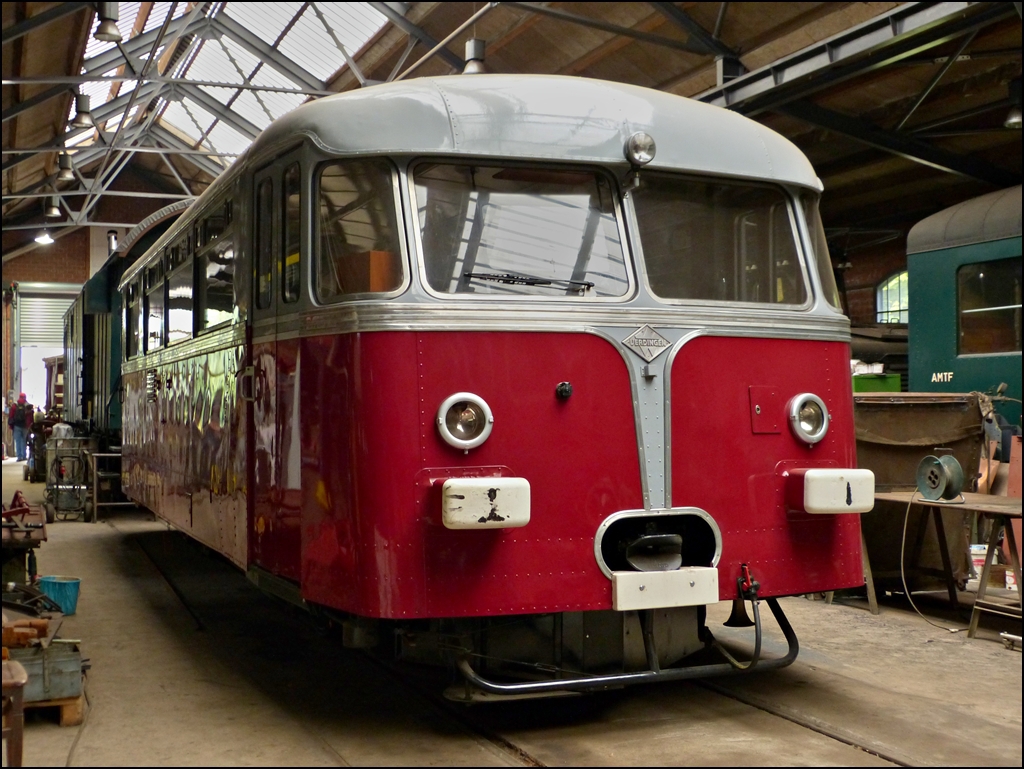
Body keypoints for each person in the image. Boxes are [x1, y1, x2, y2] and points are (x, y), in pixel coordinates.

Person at [8, 393, 33, 462]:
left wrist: (10, 425)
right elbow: (30, 416)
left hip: (16, 425)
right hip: (25, 426)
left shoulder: (14, 405)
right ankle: (24, 456)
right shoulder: (27, 405)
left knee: (17, 441)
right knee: (24, 441)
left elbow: (11, 416)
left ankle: (19, 457)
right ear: (25, 397)